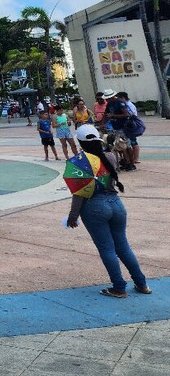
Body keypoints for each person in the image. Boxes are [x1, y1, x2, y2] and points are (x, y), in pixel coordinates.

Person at [66, 126, 150, 298]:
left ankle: (119, 287)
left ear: (80, 142)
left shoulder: (79, 163)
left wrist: (73, 216)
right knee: (123, 247)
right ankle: (142, 284)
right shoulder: (110, 156)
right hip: (116, 204)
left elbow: (79, 193)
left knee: (106, 249)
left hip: (94, 207)